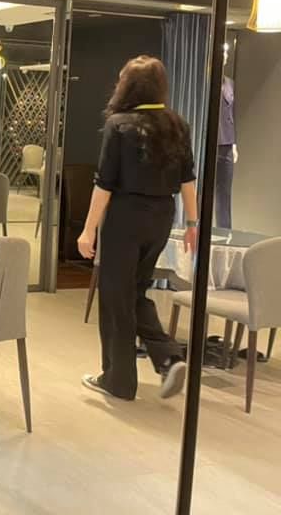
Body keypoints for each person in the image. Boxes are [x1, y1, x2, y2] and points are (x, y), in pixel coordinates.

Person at [77, 55, 198, 401]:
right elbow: (188, 180)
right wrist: (192, 223)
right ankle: (168, 358)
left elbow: (104, 183)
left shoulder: (119, 125)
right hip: (162, 215)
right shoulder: (177, 124)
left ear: (128, 86)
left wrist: (88, 230)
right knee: (135, 290)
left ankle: (118, 380)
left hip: (126, 216)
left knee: (116, 296)